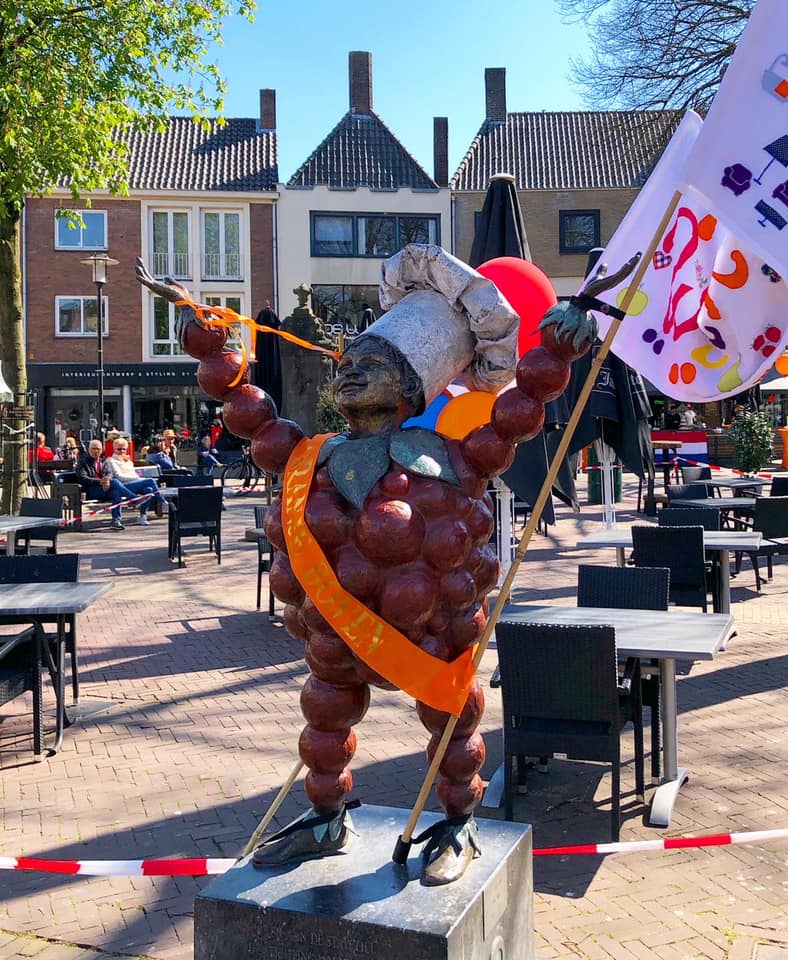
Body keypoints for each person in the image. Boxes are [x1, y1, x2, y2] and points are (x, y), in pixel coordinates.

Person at [137, 243, 596, 886]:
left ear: (410, 387)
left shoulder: (453, 457)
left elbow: (520, 412)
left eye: (372, 365)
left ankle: (457, 823)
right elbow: (245, 409)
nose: (350, 373)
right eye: (347, 363)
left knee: (452, 725)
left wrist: (559, 350)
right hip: (334, 642)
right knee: (325, 720)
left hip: (434, 639)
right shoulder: (309, 455)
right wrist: (205, 337)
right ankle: (327, 817)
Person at [76, 439, 151, 530]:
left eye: (98, 449)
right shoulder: (83, 462)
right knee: (115, 482)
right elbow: (83, 478)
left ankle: (116, 520)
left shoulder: (103, 461)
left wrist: (107, 479)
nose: (96, 451)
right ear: (89, 450)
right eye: (93, 449)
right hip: (91, 489)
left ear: (102, 450)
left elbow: (109, 473)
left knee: (116, 492)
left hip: (104, 487)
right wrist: (100, 481)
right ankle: (134, 499)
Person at [106, 438, 162, 517]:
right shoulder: (111, 461)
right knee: (150, 480)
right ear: (114, 449)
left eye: (124, 449)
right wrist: (139, 479)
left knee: (148, 489)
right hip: (121, 486)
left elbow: (134, 474)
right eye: (119, 449)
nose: (122, 451)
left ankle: (143, 515)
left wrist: (138, 479)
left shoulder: (128, 462)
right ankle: (161, 501)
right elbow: (119, 477)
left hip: (132, 484)